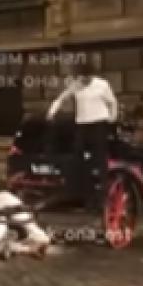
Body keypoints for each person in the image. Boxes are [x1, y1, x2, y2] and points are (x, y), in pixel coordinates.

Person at [46, 62, 118, 212]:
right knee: (78, 158)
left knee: (99, 160)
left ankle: (101, 197)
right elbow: (61, 98)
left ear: (91, 76)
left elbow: (112, 102)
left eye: (86, 78)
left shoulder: (102, 85)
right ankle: (81, 194)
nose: (83, 81)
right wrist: (52, 112)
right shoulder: (76, 85)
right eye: (81, 78)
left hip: (98, 124)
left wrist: (112, 117)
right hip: (82, 125)